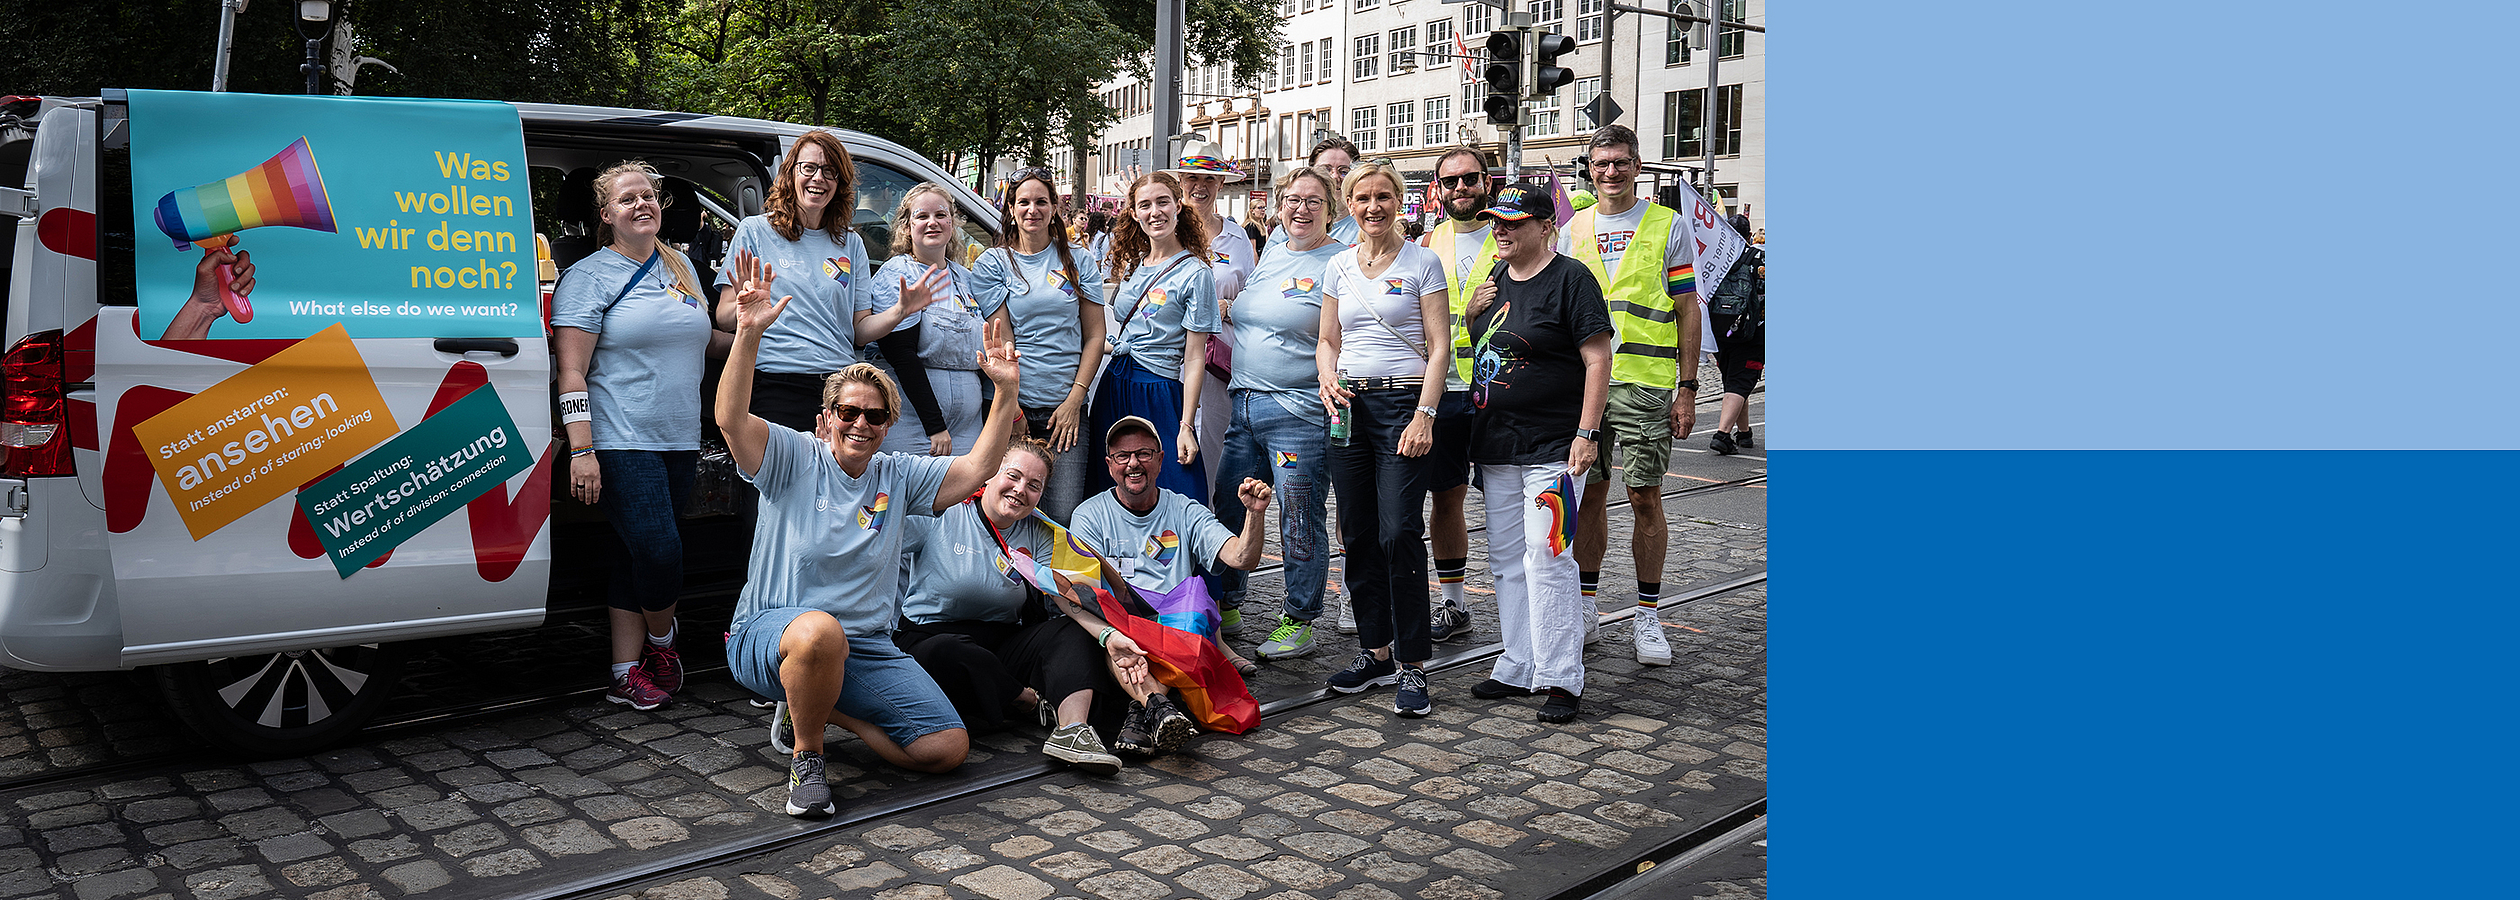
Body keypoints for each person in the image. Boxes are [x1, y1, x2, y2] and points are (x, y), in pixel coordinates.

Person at [713, 256, 1025, 818]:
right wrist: (748, 334)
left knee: (945, 748)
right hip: (772, 635)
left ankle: (820, 706)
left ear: (887, 426)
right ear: (824, 419)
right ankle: (808, 757)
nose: (861, 424)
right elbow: (731, 420)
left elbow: (979, 470)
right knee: (819, 632)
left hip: (866, 647)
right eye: (848, 412)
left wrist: (1003, 393)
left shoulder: (898, 474)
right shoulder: (792, 456)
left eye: (876, 417)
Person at [552, 160, 731, 710]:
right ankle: (664, 641)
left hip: (678, 437)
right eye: (628, 199)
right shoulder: (588, 277)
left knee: (636, 555)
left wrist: (751, 328)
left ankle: (625, 672)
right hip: (618, 438)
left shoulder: (680, 266)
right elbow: (572, 372)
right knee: (659, 550)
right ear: (606, 215)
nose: (643, 204)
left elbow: (706, 344)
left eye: (649, 196)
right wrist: (582, 449)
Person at [892, 440, 1177, 773]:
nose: (1020, 490)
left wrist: (1108, 637)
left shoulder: (1038, 531)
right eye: (1013, 476)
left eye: (1033, 485)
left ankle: (1071, 730)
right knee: (949, 651)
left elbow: (1065, 598)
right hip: (931, 639)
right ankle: (1024, 700)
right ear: (989, 474)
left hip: (1002, 641)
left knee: (1070, 630)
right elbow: (877, 537)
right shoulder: (944, 511)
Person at [1464, 181, 1614, 724]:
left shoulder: (1572, 279)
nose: (1499, 229)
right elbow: (1484, 349)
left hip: (1554, 444)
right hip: (1498, 443)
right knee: (1506, 558)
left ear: (1545, 226)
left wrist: (1587, 432)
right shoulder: (1496, 278)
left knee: (1548, 554)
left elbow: (1598, 360)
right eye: (1494, 221)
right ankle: (1518, 660)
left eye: (1512, 221)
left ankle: (1560, 675)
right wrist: (1470, 314)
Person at [1558, 125, 1701, 667]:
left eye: (1620, 162)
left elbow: (1689, 310)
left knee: (1644, 496)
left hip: (1647, 384)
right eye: (1601, 163)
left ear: (1637, 166)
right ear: (1589, 169)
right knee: (1588, 497)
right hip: (1585, 385)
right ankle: (1587, 605)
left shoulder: (1668, 225)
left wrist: (1686, 388)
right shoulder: (1573, 230)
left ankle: (1647, 613)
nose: (1610, 172)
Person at [1315, 161, 1452, 718]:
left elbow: (1440, 346)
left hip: (1403, 404)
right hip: (1348, 407)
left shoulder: (1424, 262)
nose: (1373, 207)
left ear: (1401, 200)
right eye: (1362, 198)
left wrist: (1425, 414)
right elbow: (1328, 338)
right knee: (1359, 531)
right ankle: (1375, 650)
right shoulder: (1338, 266)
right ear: (1349, 205)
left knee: (1399, 532)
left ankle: (1413, 663)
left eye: (1383, 197)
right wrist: (1327, 375)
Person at [713, 131, 939, 433]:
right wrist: (744, 311)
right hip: (774, 385)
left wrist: (900, 311)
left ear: (840, 182)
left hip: (839, 391)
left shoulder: (851, 244)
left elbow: (859, 332)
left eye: (829, 171)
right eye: (809, 168)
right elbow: (724, 318)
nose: (818, 178)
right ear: (791, 173)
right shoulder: (754, 231)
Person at [1214, 166, 1344, 662]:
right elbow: (1261, 311)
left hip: (1300, 411)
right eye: (1292, 199)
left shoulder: (1339, 261)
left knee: (1299, 517)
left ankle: (1300, 618)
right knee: (1229, 506)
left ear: (1330, 209)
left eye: (1313, 201)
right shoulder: (1270, 251)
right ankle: (1228, 600)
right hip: (1244, 404)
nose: (1301, 209)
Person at [1073, 416, 1272, 704]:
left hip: (1178, 631)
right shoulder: (1088, 516)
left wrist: (1255, 514)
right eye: (1122, 456)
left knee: (1194, 606)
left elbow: (1243, 558)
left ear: (1160, 459)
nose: (1133, 464)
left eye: (1143, 453)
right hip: (1127, 630)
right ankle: (1159, 703)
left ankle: (1150, 704)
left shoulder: (1184, 509)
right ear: (1109, 464)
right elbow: (1085, 592)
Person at [1160, 142, 1258, 633]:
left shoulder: (1239, 238)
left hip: (1216, 373)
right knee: (1165, 473)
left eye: (1209, 180)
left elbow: (1253, 300)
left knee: (1211, 477)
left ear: (1222, 185)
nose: (1199, 187)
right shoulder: (1161, 227)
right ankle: (1163, 582)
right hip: (1164, 369)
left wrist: (1227, 310)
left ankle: (1216, 590)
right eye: (1191, 179)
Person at [976, 170, 1107, 523]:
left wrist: (1075, 402)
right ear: (1011, 208)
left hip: (1065, 411)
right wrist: (1012, 409)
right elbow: (1004, 341)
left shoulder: (1077, 261)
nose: (1032, 209)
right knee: (1005, 510)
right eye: (1024, 202)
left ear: (1054, 208)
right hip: (1012, 407)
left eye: (1041, 202)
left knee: (1061, 516)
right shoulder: (994, 263)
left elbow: (1095, 336)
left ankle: (1049, 581)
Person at [1088, 172, 1218, 506]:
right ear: (1133, 212)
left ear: (1178, 206)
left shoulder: (1195, 273)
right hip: (1114, 384)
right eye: (1144, 205)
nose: (1154, 212)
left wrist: (1186, 424)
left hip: (1157, 389)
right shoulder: (1133, 265)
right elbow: (1119, 336)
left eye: (1162, 202)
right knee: (1110, 488)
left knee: (1176, 489)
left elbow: (1193, 357)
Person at [1416, 147, 1500, 645]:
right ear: (1438, 189)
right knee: (1446, 498)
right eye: (1450, 182)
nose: (1460, 188)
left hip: (1503, 393)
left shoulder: (1512, 231)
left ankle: (1537, 600)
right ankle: (1455, 603)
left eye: (1470, 178)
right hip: (1445, 391)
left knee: (1515, 503)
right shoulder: (1427, 242)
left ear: (1486, 181)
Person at [868, 183, 987, 456]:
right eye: (922, 216)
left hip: (968, 427)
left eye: (941, 215)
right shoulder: (896, 275)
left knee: (965, 498)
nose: (932, 222)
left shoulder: (967, 280)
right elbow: (901, 355)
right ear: (907, 227)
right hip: (915, 424)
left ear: (952, 223)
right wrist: (934, 425)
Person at [1707, 213, 1765, 456]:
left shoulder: (1715, 258)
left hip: (1721, 331)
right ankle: (1722, 435)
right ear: (1749, 235)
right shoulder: (1761, 258)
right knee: (1741, 382)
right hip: (1752, 332)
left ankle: (1744, 433)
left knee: (1734, 381)